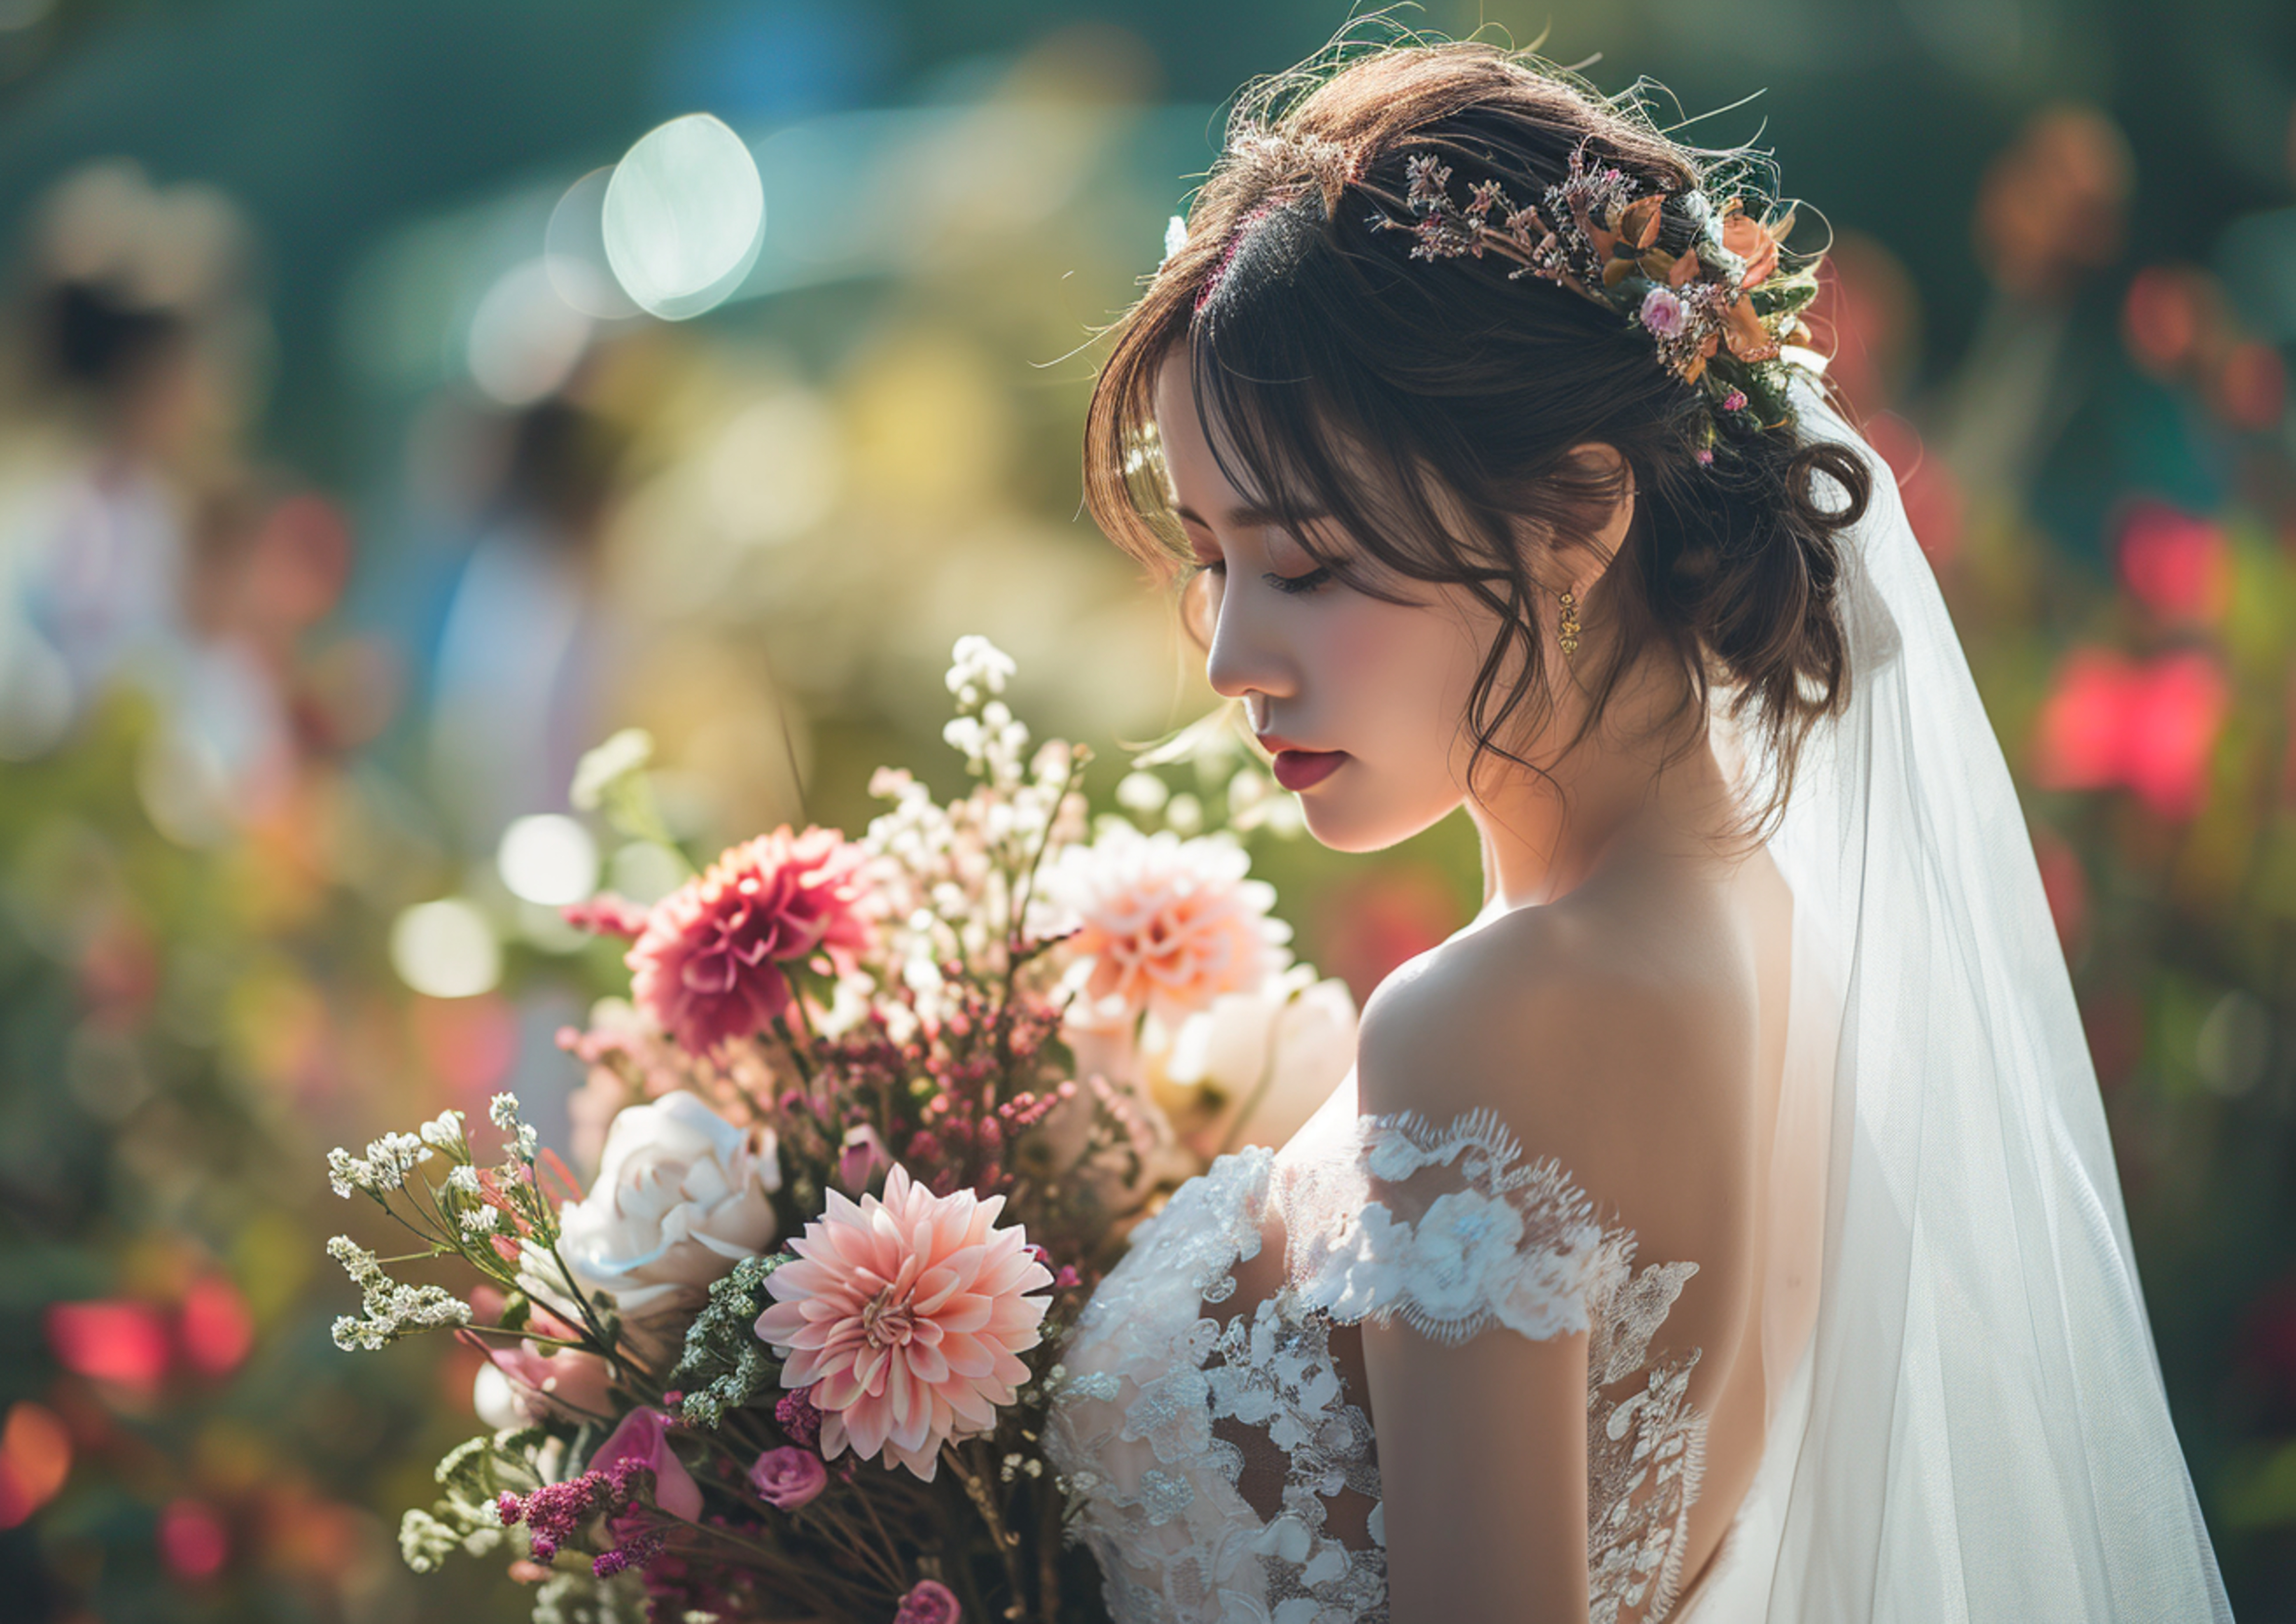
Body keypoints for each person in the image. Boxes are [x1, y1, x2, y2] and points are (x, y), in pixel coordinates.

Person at [1040, 37, 2233, 1623]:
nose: (1231, 659)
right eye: (1213, 561)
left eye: (1309, 565)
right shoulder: (1778, 942)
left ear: (1576, 512)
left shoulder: (1487, 1023)